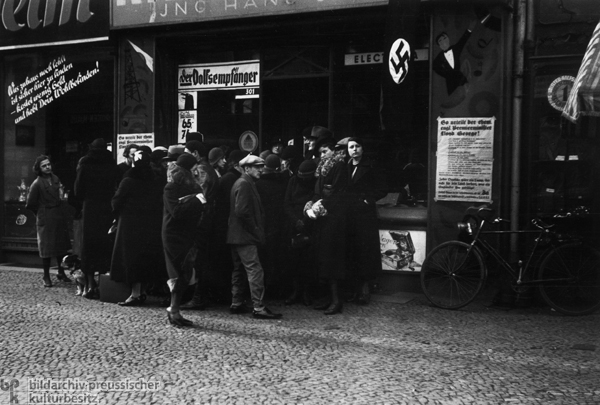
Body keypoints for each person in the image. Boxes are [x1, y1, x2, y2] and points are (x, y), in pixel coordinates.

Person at [227, 154, 282, 319]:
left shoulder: (243, 182)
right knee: (255, 270)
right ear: (246, 168)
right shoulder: (245, 184)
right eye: (257, 166)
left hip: (237, 235)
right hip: (245, 236)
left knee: (239, 270)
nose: (261, 169)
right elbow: (242, 211)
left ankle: (236, 303)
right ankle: (258, 307)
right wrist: (256, 229)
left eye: (261, 166)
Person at [110, 150, 166, 306]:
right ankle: (143, 291)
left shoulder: (128, 180)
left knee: (131, 258)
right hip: (151, 224)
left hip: (130, 225)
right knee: (145, 258)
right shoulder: (155, 179)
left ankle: (135, 293)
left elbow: (116, 202)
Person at [162, 154, 207, 327]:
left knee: (187, 272)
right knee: (179, 272)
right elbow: (177, 212)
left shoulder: (193, 185)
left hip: (189, 233)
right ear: (187, 169)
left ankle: (175, 309)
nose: (197, 170)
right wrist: (196, 200)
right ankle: (173, 310)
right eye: (194, 167)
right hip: (174, 235)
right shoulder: (171, 187)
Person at [306, 137, 349, 315]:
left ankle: (336, 300)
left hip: (334, 220)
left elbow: (338, 193)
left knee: (332, 260)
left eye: (325, 152)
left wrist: (322, 204)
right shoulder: (322, 169)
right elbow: (319, 191)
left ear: (333, 151)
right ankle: (327, 298)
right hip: (323, 219)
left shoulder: (338, 166)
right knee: (323, 259)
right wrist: (312, 202)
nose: (322, 155)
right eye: (320, 153)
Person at [74, 138, 119, 299]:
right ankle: (102, 282)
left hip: (91, 207)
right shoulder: (111, 164)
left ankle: (89, 283)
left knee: (89, 244)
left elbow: (78, 189)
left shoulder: (85, 163)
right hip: (106, 207)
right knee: (104, 243)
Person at [345, 137, 388, 304]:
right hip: (349, 215)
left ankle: (364, 289)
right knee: (352, 251)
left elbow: (382, 189)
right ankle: (353, 289)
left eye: (357, 146)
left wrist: (368, 200)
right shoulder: (345, 167)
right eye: (351, 147)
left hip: (364, 215)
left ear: (362, 149)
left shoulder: (371, 166)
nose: (354, 150)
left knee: (365, 252)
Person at [180, 140, 220, 310]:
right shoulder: (207, 168)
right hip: (206, 218)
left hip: (202, 219)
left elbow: (201, 196)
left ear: (195, 153)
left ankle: (198, 297)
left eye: (187, 151)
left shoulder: (201, 169)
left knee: (198, 259)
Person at [26, 155, 72, 287]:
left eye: (48, 165)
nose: (47, 167)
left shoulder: (55, 178)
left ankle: (61, 272)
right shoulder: (37, 183)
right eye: (44, 166)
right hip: (46, 217)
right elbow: (30, 204)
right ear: (39, 169)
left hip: (58, 215)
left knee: (61, 246)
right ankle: (46, 275)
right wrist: (41, 213)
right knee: (46, 248)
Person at [283, 159, 318, 306]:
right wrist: (296, 221)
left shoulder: (316, 182)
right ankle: (296, 291)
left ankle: (306, 293)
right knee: (294, 261)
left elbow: (316, 201)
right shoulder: (293, 181)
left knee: (308, 262)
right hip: (294, 224)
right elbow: (287, 203)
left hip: (310, 224)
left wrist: (305, 220)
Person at [256, 154, 289, 293]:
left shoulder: (257, 183)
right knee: (274, 258)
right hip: (278, 225)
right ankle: (274, 287)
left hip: (263, 224)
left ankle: (262, 288)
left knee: (262, 258)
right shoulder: (283, 182)